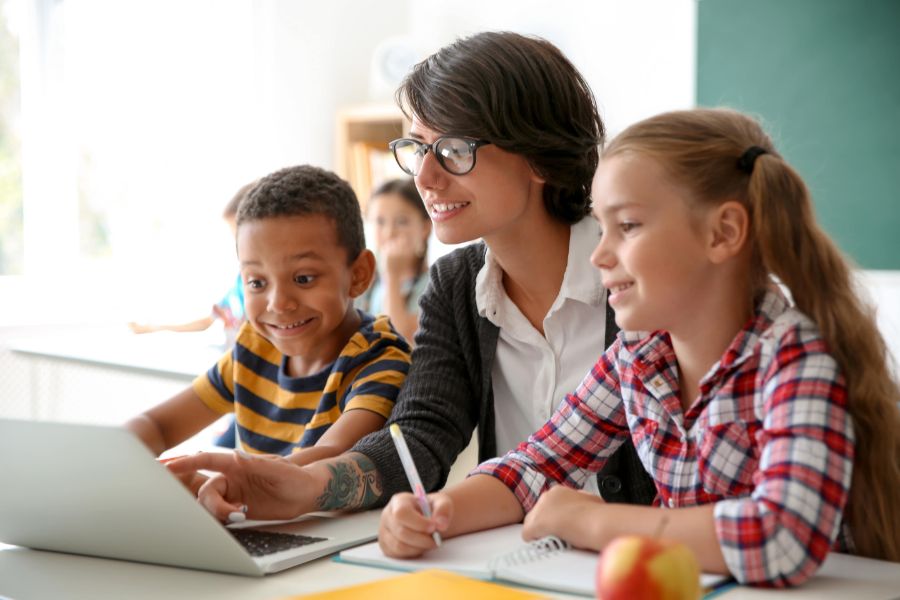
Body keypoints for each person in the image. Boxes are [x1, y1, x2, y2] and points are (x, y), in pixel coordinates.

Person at [377, 108, 900, 587]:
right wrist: (439, 510)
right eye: (602, 229)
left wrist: (596, 520)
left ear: (723, 233)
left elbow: (782, 535)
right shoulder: (640, 353)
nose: (600, 255)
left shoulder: (794, 357)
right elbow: (536, 464)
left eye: (627, 227)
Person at [169, 31, 655, 520]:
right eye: (419, 148)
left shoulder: (643, 278)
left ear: (538, 153)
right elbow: (419, 437)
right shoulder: (458, 285)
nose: (424, 177)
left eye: (453, 150)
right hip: (514, 561)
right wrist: (304, 485)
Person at [126, 165, 412, 485]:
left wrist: (218, 482)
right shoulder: (253, 348)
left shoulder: (379, 358)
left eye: (303, 278)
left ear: (358, 275)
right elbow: (157, 426)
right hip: (256, 527)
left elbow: (332, 453)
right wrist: (117, 454)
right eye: (257, 282)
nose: (278, 303)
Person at [128, 179, 257, 340]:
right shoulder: (240, 284)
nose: (238, 248)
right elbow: (207, 321)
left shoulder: (261, 288)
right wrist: (155, 328)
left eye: (240, 237)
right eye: (234, 238)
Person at [356, 178, 431, 344]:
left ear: (425, 227)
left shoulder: (433, 285)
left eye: (402, 222)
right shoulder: (363, 281)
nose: (389, 232)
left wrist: (392, 274)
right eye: (380, 222)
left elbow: (400, 338)